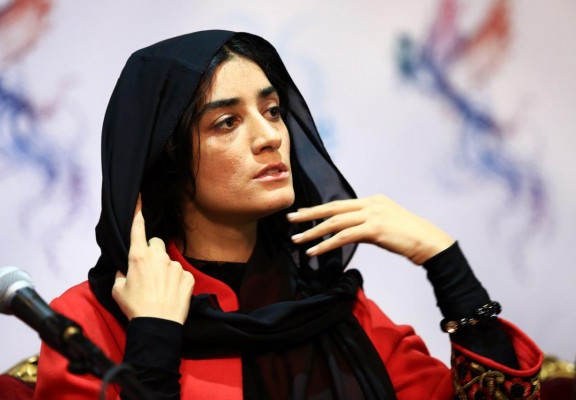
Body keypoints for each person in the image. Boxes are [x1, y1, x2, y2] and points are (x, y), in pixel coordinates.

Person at [34, 30, 543, 399]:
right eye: (227, 122)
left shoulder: (332, 306)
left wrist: (445, 262)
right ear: (164, 157)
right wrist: (153, 338)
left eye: (273, 111)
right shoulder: (92, 321)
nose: (269, 136)